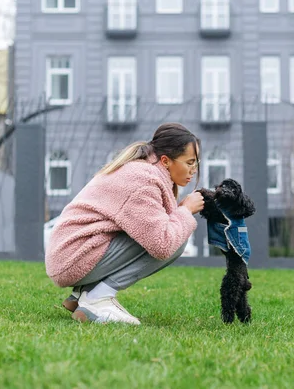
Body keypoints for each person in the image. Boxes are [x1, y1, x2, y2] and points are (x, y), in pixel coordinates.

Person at [44, 123, 204, 325]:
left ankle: (82, 293)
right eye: (189, 162)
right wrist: (186, 211)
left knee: (170, 229)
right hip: (72, 259)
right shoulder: (144, 180)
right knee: (175, 238)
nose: (193, 170)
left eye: (196, 163)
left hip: (72, 254)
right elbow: (163, 244)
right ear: (165, 160)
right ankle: (97, 298)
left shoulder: (144, 171)